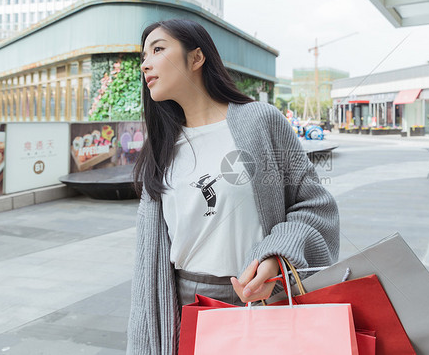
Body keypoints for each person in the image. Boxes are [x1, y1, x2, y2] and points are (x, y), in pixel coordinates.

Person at [127, 18, 340, 354]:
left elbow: (314, 205)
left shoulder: (259, 121)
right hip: (183, 306)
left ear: (196, 58)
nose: (145, 64)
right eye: (143, 56)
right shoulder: (162, 145)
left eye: (158, 49)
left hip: (261, 300)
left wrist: (276, 257)